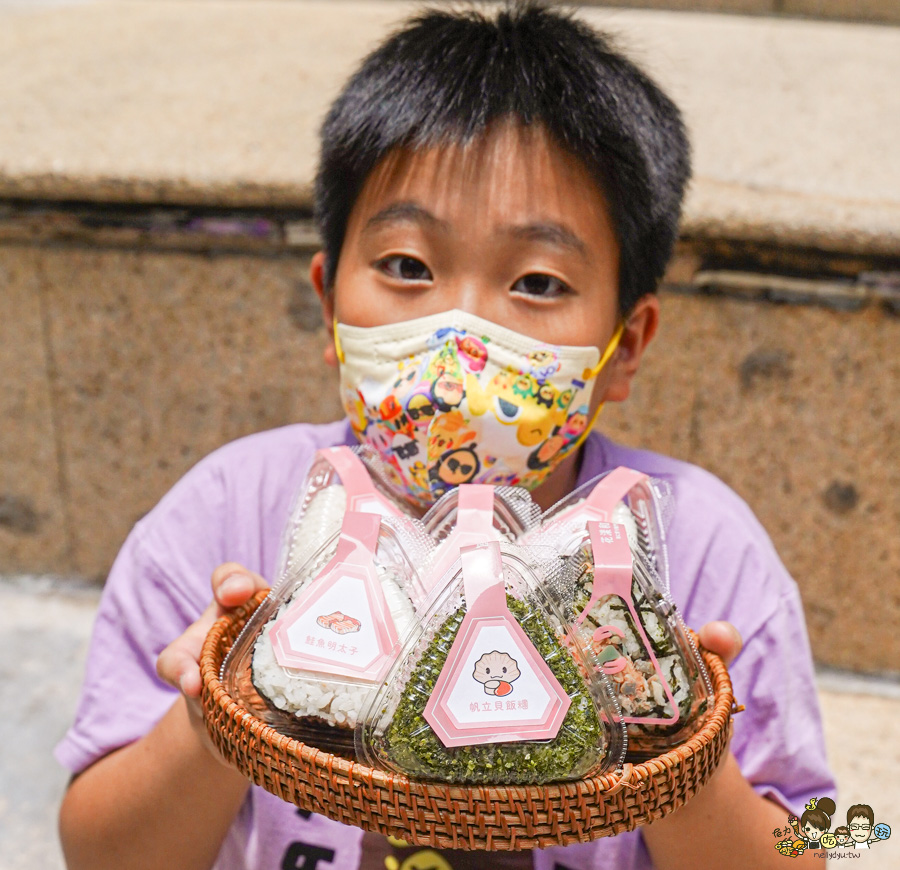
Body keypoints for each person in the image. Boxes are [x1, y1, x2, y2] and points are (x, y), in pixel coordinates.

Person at [55, 4, 835, 869]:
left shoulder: (700, 554)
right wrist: (209, 728)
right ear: (328, 302)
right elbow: (99, 851)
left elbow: (817, 845)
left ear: (628, 344)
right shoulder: (228, 518)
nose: (460, 333)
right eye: (407, 267)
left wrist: (683, 764)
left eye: (537, 281)